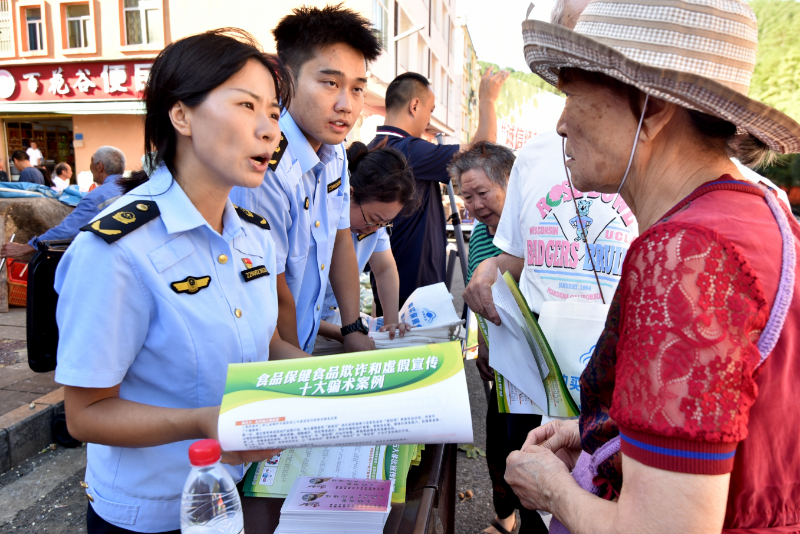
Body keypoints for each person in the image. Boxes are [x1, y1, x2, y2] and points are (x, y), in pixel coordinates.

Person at [499, 0, 800, 532]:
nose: (562, 124)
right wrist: (605, 433)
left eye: (573, 94)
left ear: (652, 107)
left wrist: (552, 489)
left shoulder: (686, 254)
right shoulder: (763, 215)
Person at [54, 28, 308, 533]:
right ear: (181, 115)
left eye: (274, 113)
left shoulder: (254, 236)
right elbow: (84, 415)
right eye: (247, 106)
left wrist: (347, 382)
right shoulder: (117, 249)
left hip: (235, 491)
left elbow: (267, 343)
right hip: (150, 513)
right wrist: (201, 422)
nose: (270, 132)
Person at [230, 5, 381, 354]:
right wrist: (300, 369)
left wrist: (352, 327)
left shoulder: (335, 150)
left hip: (303, 342)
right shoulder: (265, 165)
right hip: (271, 354)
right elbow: (274, 286)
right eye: (330, 83)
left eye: (357, 89)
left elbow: (341, 237)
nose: (346, 105)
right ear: (285, 79)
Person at [449, 141, 540, 534]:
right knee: (498, 445)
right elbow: (481, 301)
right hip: (500, 362)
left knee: (532, 447)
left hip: (536, 366)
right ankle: (505, 518)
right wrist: (483, 345)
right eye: (466, 197)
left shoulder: (533, 230)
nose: (474, 205)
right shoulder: (481, 235)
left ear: (511, 184)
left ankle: (536, 520)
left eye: (483, 193)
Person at [367, 68, 507, 313]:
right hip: (415, 289)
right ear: (414, 106)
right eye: (430, 111)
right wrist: (487, 100)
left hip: (391, 284)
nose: (429, 120)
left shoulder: (375, 148)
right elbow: (482, 152)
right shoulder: (409, 151)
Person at [316, 141, 418, 344]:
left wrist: (391, 322)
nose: (375, 229)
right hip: (303, 323)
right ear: (350, 194)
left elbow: (385, 269)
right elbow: (295, 311)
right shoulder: (320, 220)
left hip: (334, 317)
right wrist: (348, 334)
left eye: (385, 223)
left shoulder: (374, 226)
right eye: (373, 219)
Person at [0, 147, 126, 260]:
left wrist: (28, 247)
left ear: (99, 167)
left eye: (91, 162)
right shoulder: (131, 189)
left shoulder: (97, 196)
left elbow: (67, 231)